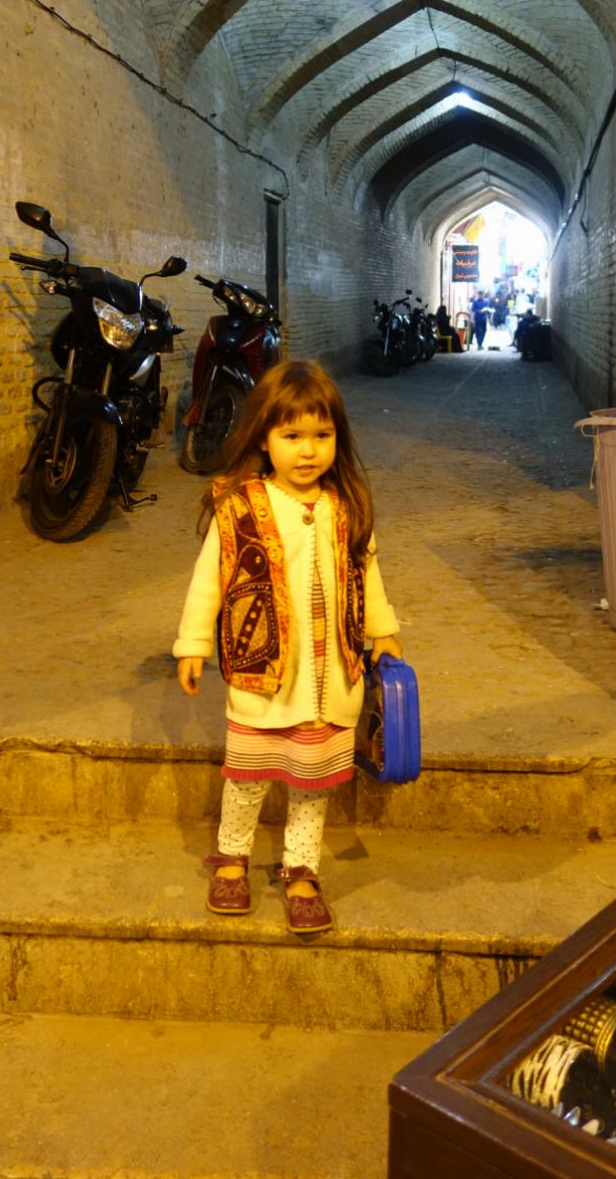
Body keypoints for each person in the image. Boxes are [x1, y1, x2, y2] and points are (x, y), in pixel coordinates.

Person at [173, 360, 403, 936]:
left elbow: (369, 575)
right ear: (263, 438)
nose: (308, 450)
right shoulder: (239, 507)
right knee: (247, 776)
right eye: (292, 436)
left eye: (322, 435)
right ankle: (232, 860)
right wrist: (193, 643)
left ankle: (302, 871)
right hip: (263, 674)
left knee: (311, 782)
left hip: (330, 675)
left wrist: (382, 629)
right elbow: (209, 580)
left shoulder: (348, 506)